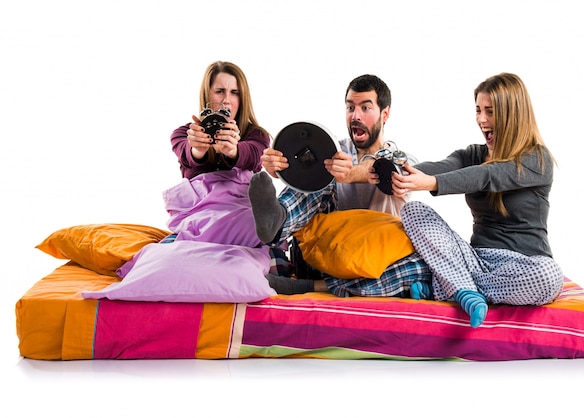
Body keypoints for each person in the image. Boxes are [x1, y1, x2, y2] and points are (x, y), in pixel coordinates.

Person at [379, 72, 563, 328]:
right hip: (475, 258)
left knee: (550, 277)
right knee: (414, 211)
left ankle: (454, 288)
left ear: (513, 114)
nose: (481, 119)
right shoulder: (472, 154)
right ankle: (464, 290)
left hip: (526, 264)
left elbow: (488, 176)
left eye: (490, 111)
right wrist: (398, 171)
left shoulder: (537, 159)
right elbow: (440, 167)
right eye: (478, 110)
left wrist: (431, 184)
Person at [248, 74, 431, 296]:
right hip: (322, 257)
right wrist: (278, 168)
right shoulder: (333, 149)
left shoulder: (404, 159)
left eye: (365, 108)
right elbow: (302, 167)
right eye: (350, 108)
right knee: (319, 170)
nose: (356, 116)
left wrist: (352, 173)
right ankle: (278, 220)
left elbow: (394, 170)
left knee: (424, 265)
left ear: (385, 114)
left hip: (371, 266)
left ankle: (310, 288)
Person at [170, 61, 270, 179]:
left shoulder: (258, 135)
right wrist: (197, 150)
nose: (226, 100)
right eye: (220, 91)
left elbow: (254, 157)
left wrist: (234, 151)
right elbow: (184, 154)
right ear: (207, 95)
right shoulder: (183, 133)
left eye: (234, 92)